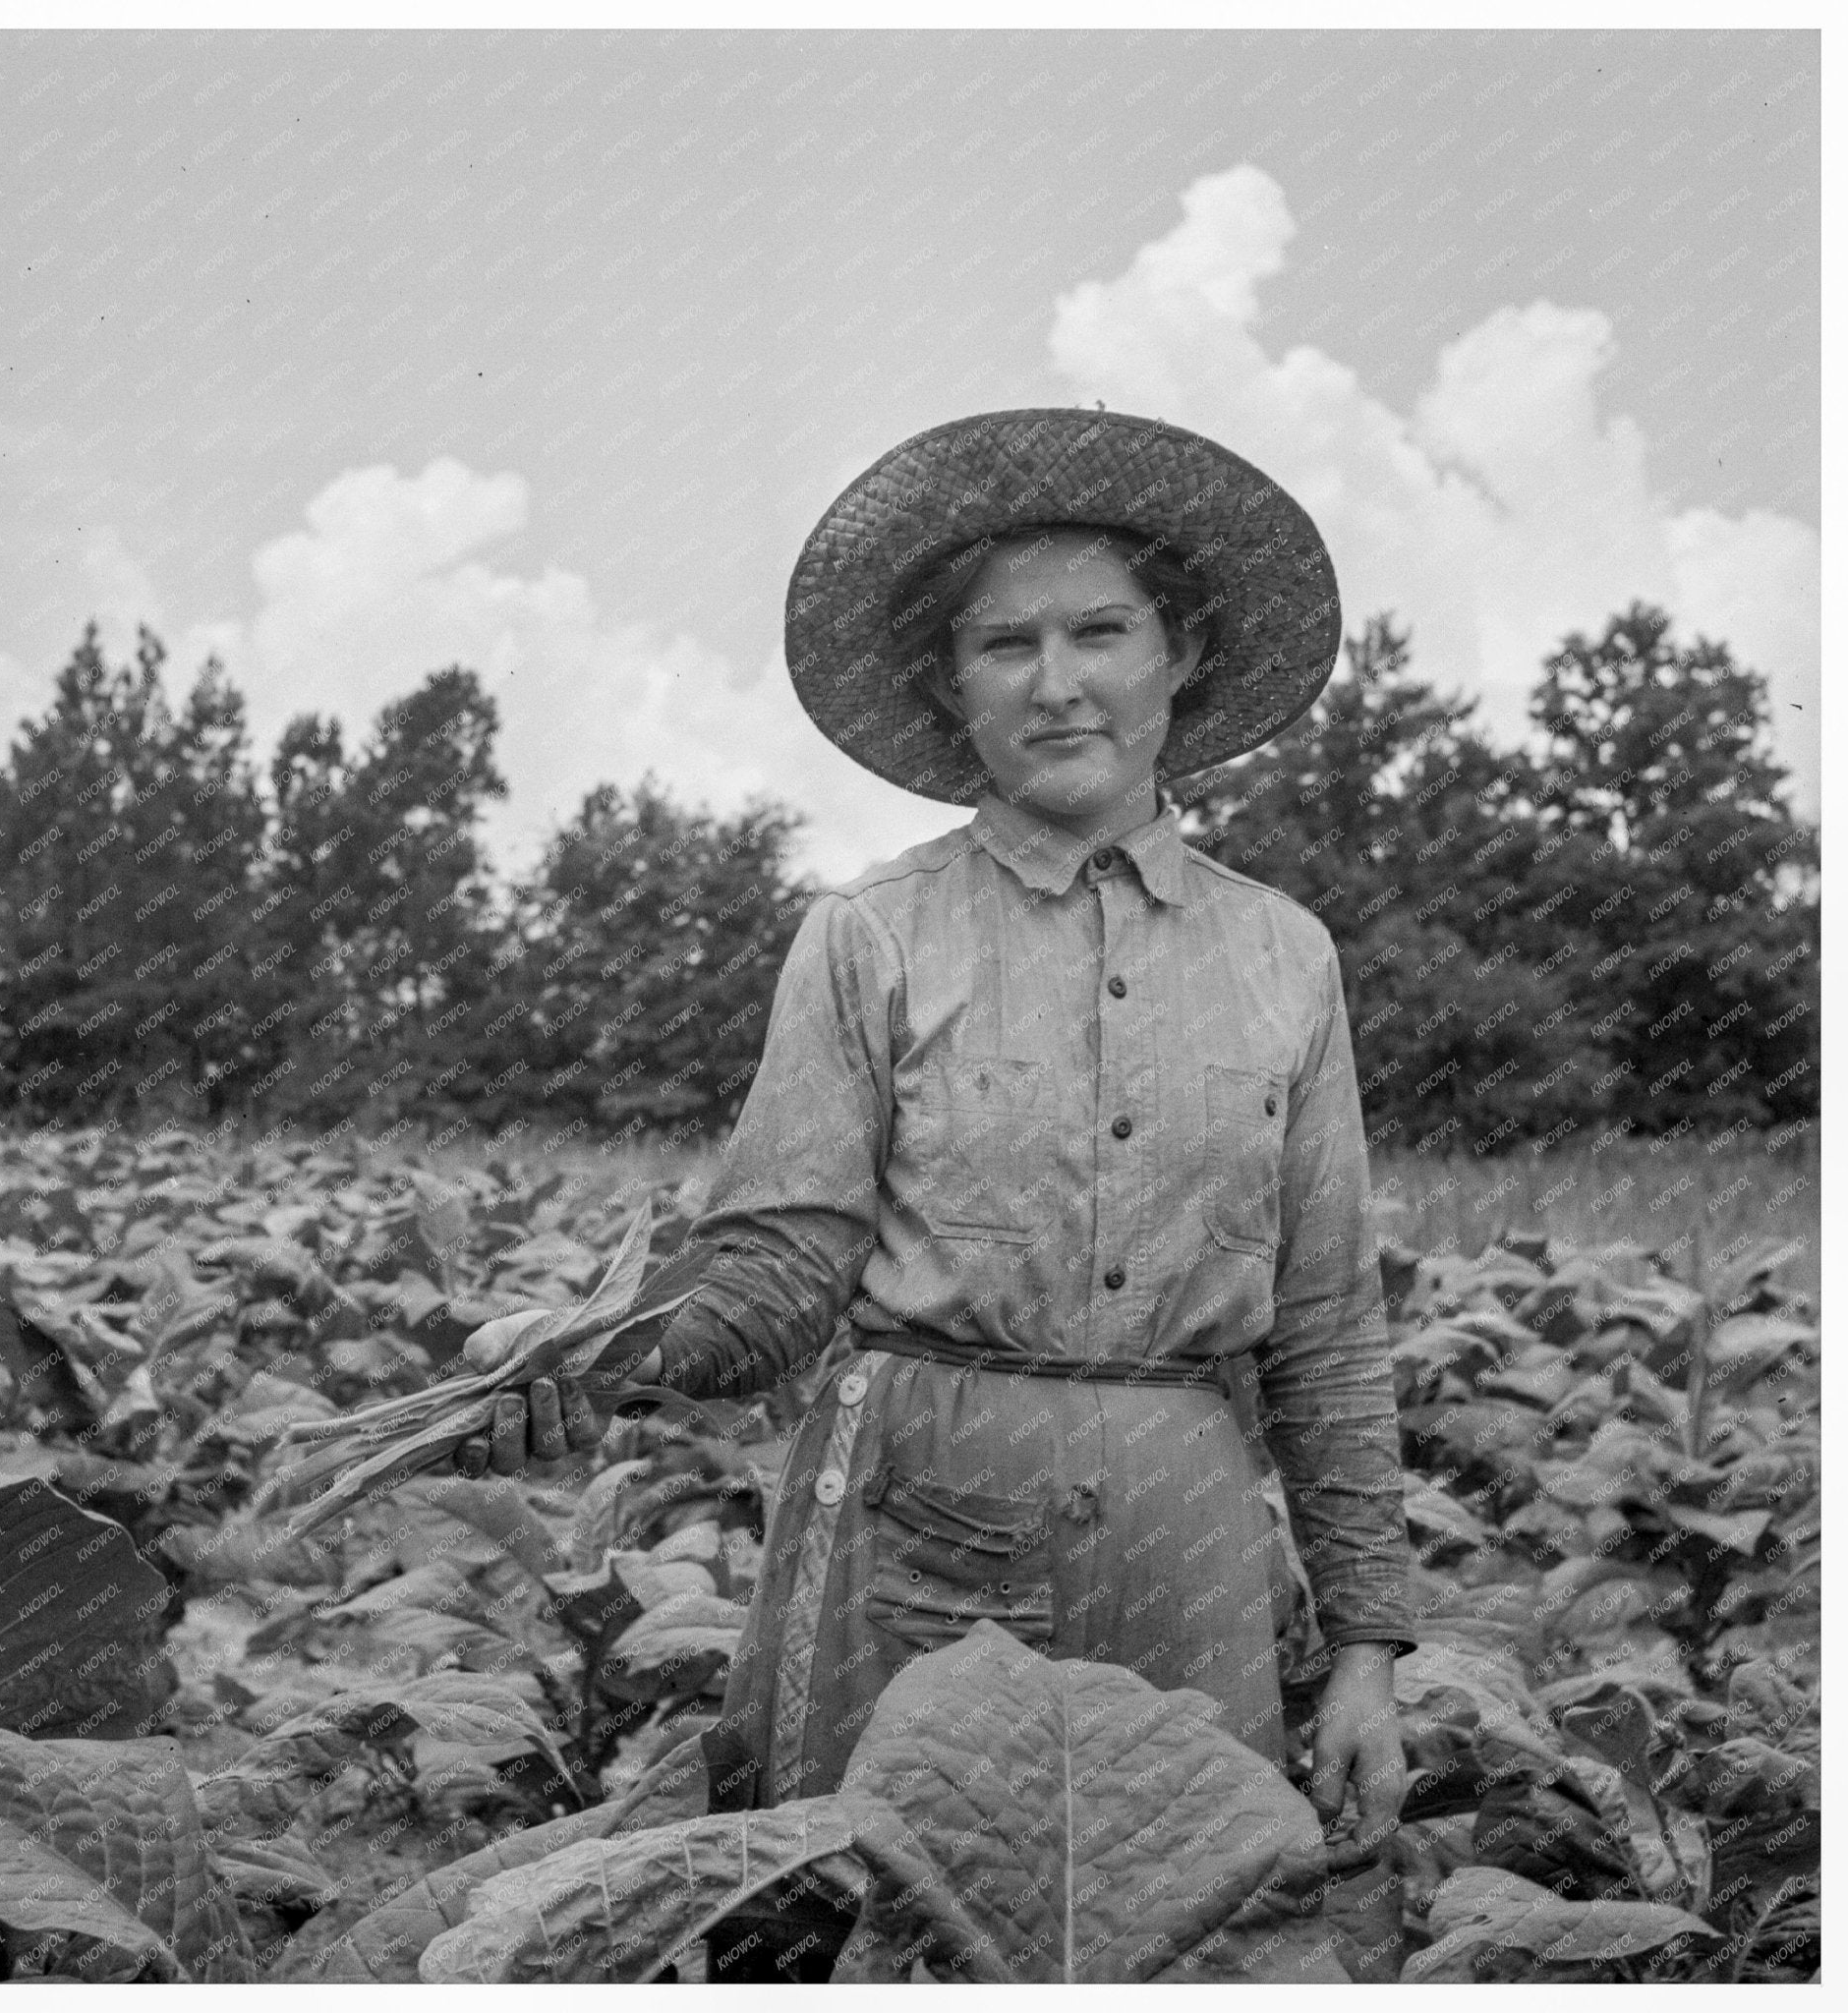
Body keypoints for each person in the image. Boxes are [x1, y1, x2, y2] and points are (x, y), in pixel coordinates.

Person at [461, 407, 1415, 1855]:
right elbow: (782, 1274)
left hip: (1185, 1539)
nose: (1057, 685)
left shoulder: (1287, 957)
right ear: (950, 685)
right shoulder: (870, 938)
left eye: (1101, 632)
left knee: (1173, 1921)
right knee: (893, 1912)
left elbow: (1329, 1325)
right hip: (917, 1526)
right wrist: (609, 1345)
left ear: (1183, 655)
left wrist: (1366, 1651)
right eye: (1004, 646)